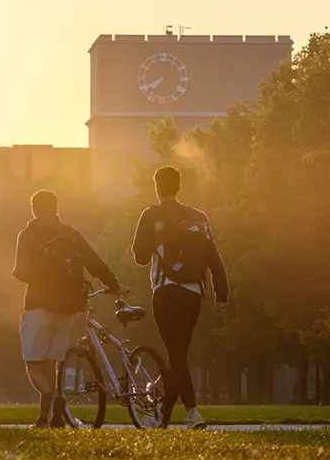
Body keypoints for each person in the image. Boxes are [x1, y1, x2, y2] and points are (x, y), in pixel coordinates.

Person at [13, 190, 126, 428]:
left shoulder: (27, 235)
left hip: (38, 307)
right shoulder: (71, 234)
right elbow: (94, 262)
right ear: (56, 208)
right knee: (52, 363)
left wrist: (41, 276)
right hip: (66, 308)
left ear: (33, 209)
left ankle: (56, 402)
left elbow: (21, 271)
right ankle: (47, 418)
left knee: (33, 363)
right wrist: (114, 285)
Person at [131, 166, 229, 430]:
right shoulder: (198, 216)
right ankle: (162, 419)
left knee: (175, 355)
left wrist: (158, 243)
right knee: (178, 355)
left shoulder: (151, 215)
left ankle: (193, 413)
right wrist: (222, 293)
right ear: (179, 186)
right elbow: (213, 256)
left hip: (165, 291)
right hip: (193, 294)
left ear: (156, 187)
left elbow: (140, 257)